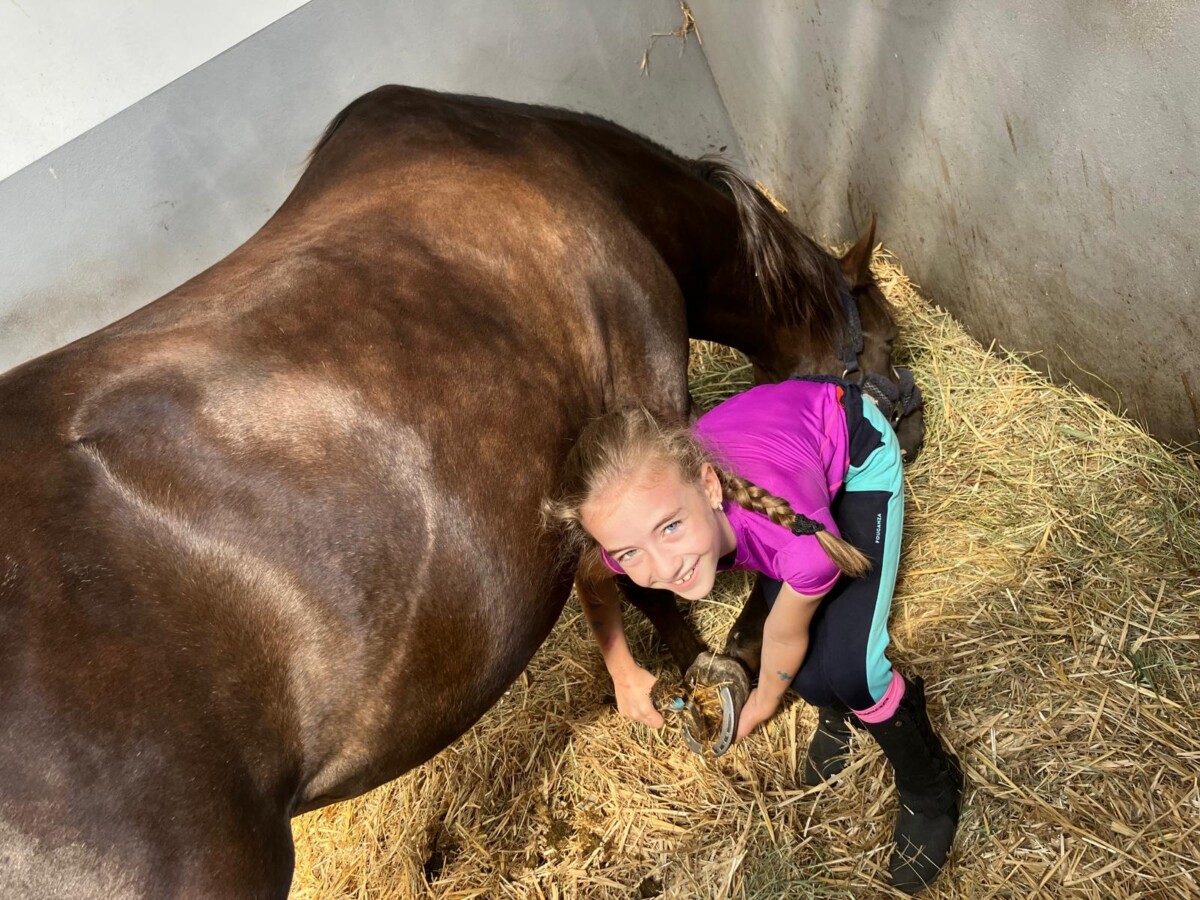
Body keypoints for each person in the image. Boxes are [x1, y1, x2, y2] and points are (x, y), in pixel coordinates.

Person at [543, 377, 961, 894]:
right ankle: (836, 711)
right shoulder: (640, 522)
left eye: (670, 527)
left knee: (854, 671)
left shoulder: (798, 547)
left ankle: (931, 785)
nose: (663, 568)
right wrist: (622, 671)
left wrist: (762, 705)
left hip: (852, 447)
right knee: (810, 677)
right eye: (630, 553)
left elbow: (783, 637)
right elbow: (591, 578)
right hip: (780, 460)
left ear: (709, 487)